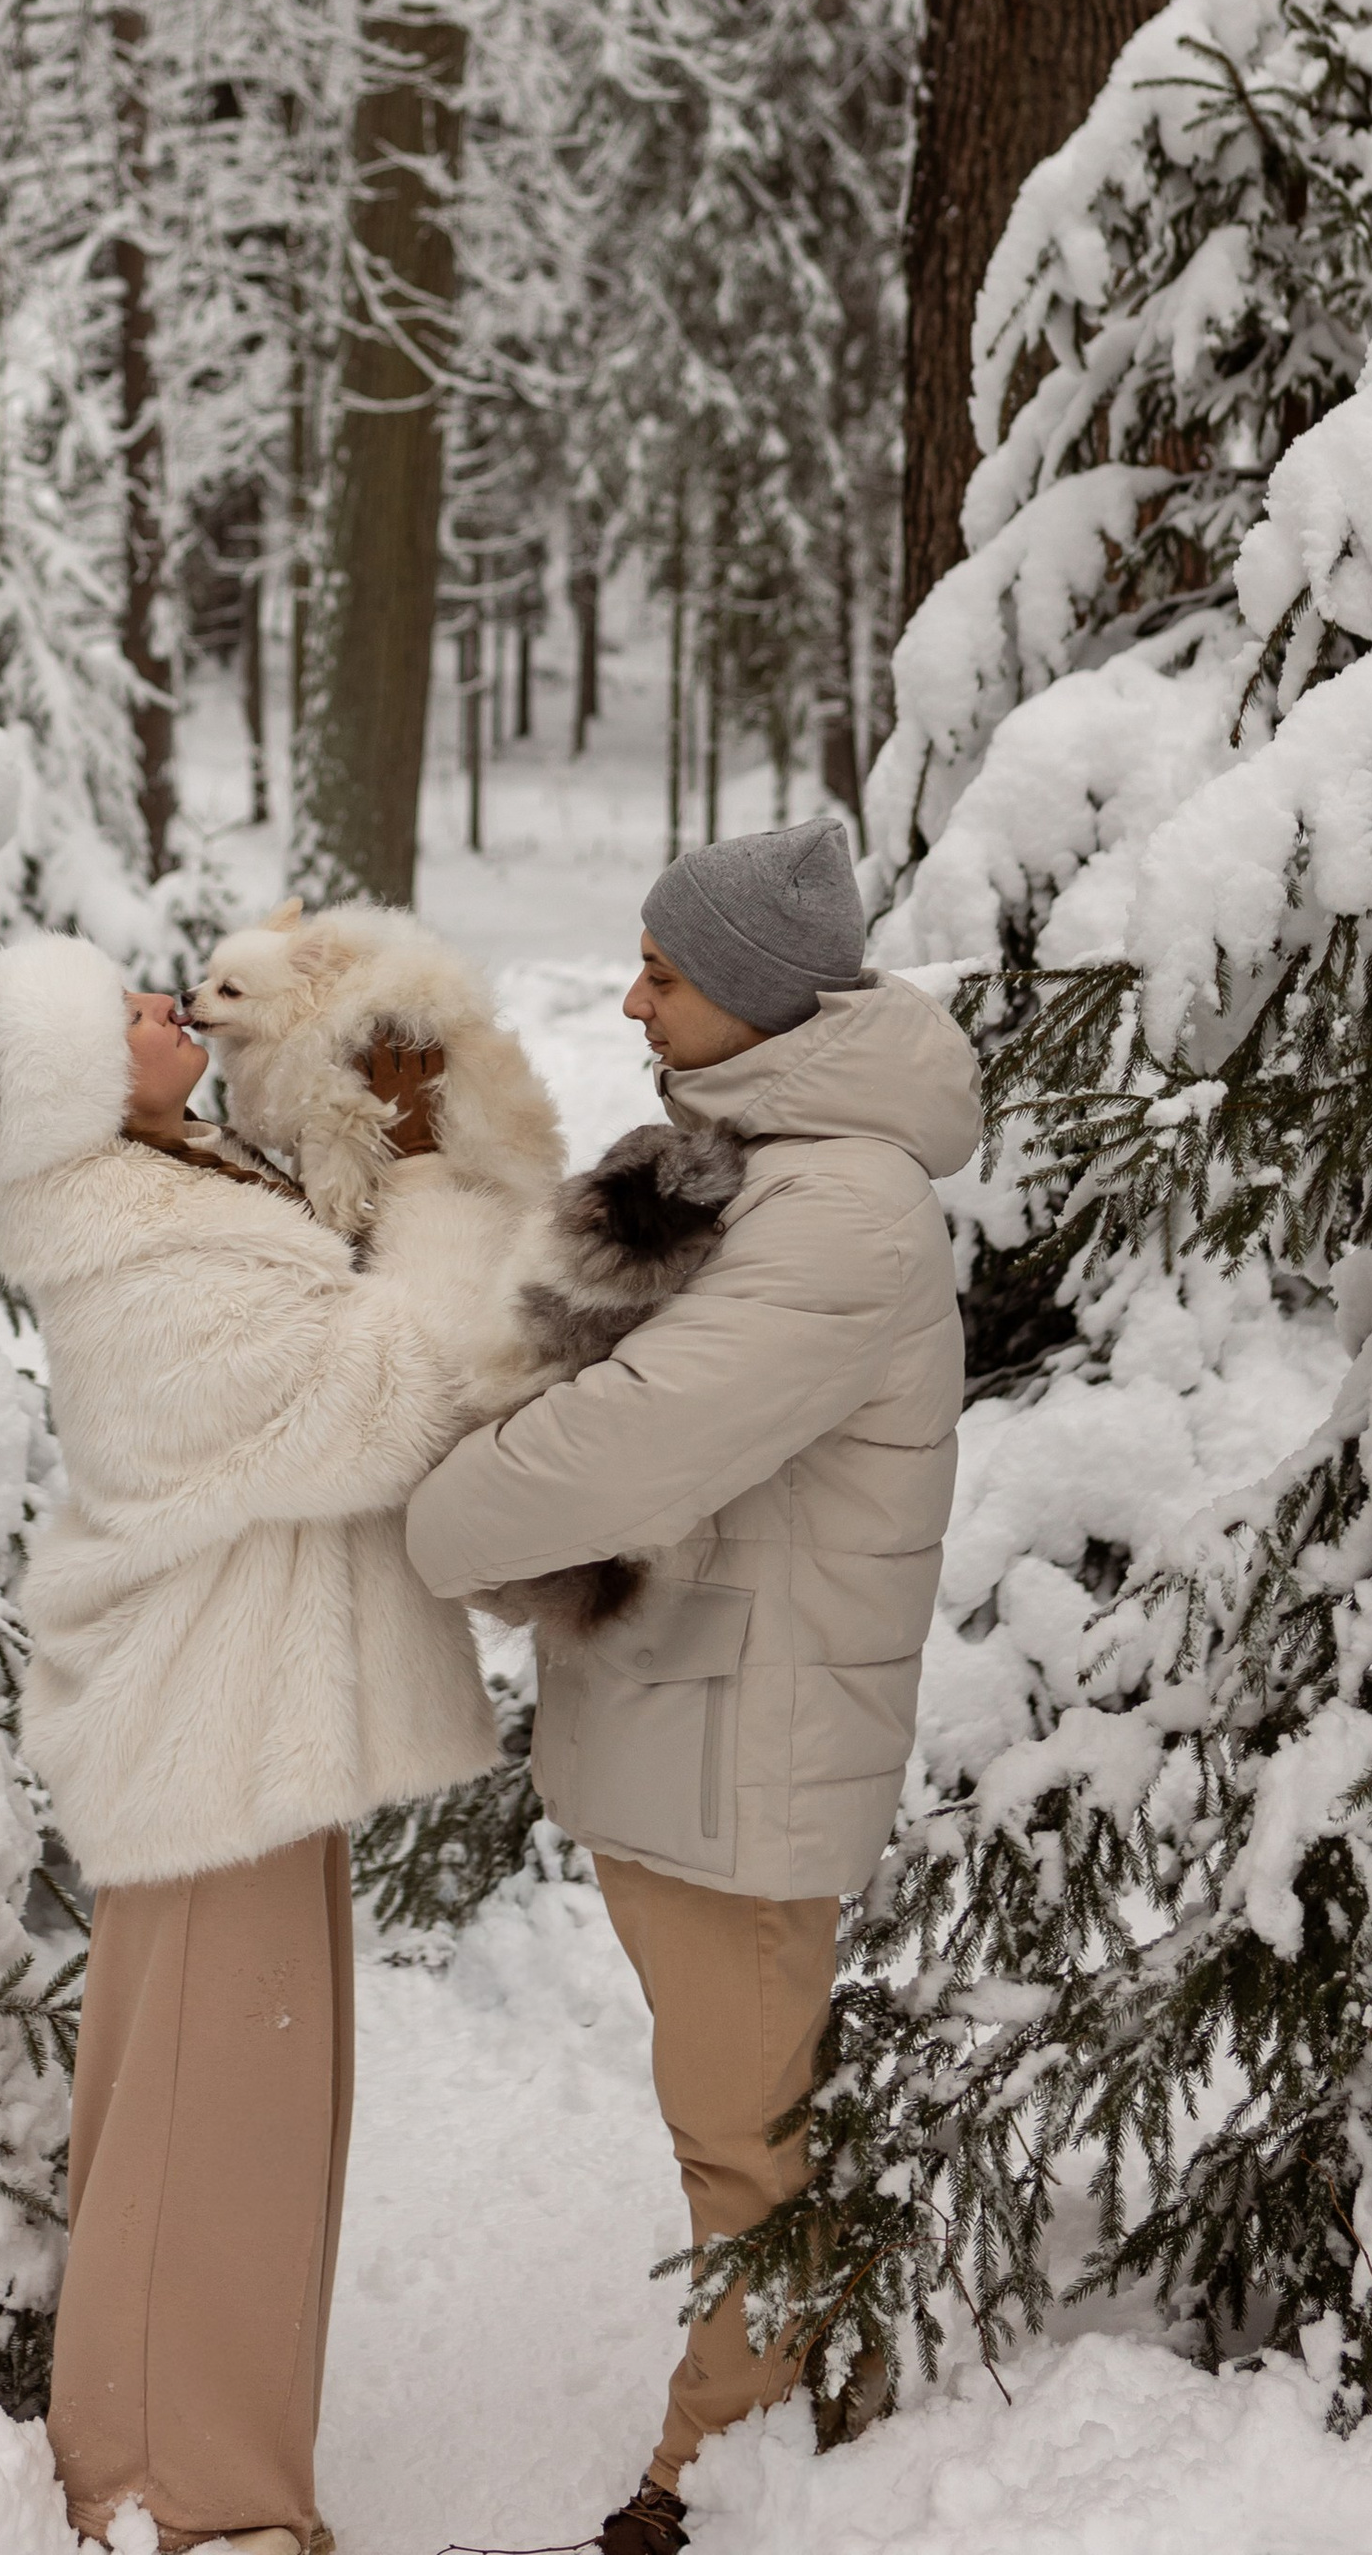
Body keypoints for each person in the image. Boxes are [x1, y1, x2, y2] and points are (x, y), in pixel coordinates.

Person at [403, 819, 979, 2555]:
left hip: (755, 1753)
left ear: (751, 997)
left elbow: (635, 1443)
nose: (637, 997)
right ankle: (789, 2410)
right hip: (704, 1725)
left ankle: (718, 2477)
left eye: (666, 973)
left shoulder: (843, 1212)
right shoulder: (747, 1156)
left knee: (745, 2149)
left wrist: (413, 1516)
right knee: (734, 2118)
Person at [0, 932, 525, 2555]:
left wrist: (391, 1128)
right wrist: (432, 1204)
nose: (158, 1004)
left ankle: (198, 2478)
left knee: (245, 2115)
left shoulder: (189, 1187)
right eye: (120, 1015)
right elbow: (384, 1390)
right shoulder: (126, 1254)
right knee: (212, 2120)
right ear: (71, 1083)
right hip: (212, 1740)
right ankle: (168, 2498)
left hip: (250, 1726)